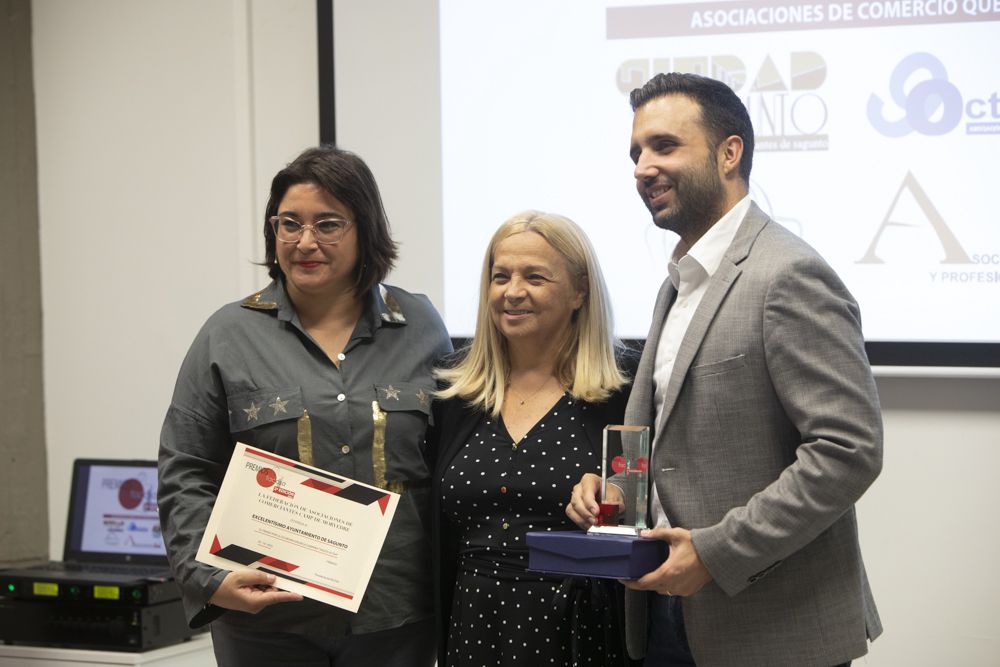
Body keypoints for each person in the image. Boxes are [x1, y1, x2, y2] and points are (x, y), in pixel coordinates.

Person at [566, 72, 884, 667]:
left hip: (772, 629)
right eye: (636, 153)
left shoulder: (786, 274)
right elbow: (685, 442)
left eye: (664, 146)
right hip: (666, 615)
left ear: (729, 153)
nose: (641, 167)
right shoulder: (678, 283)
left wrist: (715, 552)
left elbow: (849, 451)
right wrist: (610, 493)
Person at [158, 145, 452, 666]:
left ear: (365, 231)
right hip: (266, 621)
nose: (305, 242)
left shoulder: (422, 327)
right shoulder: (227, 335)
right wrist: (210, 579)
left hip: (395, 616)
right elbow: (186, 468)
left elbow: (454, 457)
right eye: (289, 223)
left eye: (328, 224)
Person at [429, 211, 639, 666]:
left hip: (578, 628)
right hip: (473, 624)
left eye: (535, 277)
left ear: (580, 290)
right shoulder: (454, 397)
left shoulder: (625, 393)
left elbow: (647, 504)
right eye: (500, 276)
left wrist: (615, 493)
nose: (512, 291)